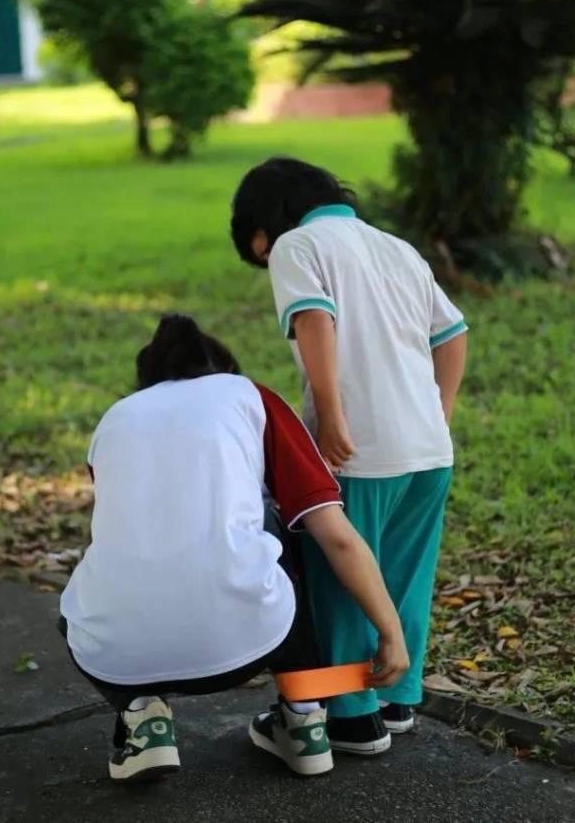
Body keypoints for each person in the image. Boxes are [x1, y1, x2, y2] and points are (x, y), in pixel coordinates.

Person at [59, 314, 410, 783]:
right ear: (224, 368)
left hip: (115, 652)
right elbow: (337, 536)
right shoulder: (249, 395)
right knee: (287, 526)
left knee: (93, 587)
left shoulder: (115, 419)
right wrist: (392, 631)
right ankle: (304, 720)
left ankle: (143, 718)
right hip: (255, 638)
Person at [230, 158, 468, 755]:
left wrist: (332, 416)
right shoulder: (396, 247)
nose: (264, 261)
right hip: (428, 449)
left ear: (268, 222)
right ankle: (398, 699)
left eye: (257, 249)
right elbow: (453, 332)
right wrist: (440, 413)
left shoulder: (297, 246)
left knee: (339, 576)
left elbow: (315, 318)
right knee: (403, 576)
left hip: (357, 449)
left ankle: (350, 717)